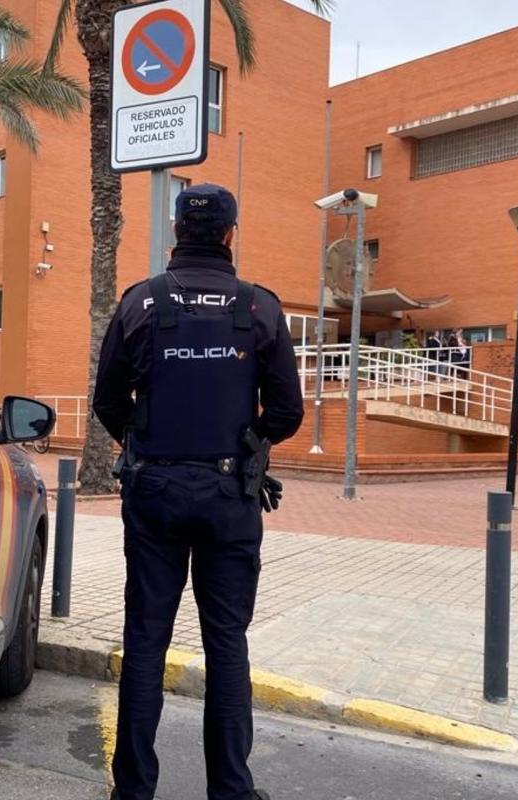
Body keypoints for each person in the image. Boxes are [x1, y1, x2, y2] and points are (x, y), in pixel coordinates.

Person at [92, 183, 304, 800]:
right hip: (228, 495)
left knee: (146, 640)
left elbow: (107, 399)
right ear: (231, 234)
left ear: (176, 231)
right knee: (226, 643)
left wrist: (143, 441)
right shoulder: (259, 308)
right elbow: (287, 412)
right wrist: (251, 443)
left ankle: (133, 792)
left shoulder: (141, 302)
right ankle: (231, 792)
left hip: (154, 491)